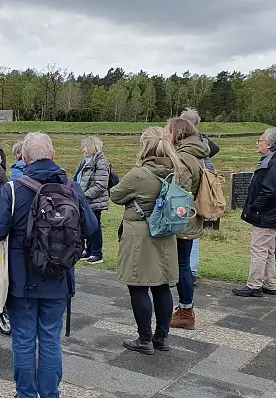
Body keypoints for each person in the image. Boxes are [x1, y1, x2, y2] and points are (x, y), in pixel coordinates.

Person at [0, 132, 98, 398]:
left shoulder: (13, 190)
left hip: (22, 281)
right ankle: (50, 394)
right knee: (50, 340)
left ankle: (26, 394)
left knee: (23, 340)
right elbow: (91, 226)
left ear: (23, 158)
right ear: (53, 155)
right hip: (58, 277)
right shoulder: (70, 187)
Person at [110, 127, 180, 355]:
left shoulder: (138, 175)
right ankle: (162, 337)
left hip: (141, 234)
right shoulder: (175, 170)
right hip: (166, 233)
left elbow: (116, 195)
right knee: (162, 286)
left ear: (145, 146)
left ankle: (144, 338)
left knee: (138, 286)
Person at [233, 128, 276, 297]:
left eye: (260, 140)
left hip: (267, 214)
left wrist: (254, 207)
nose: (257, 143)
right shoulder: (275, 161)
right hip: (272, 214)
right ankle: (270, 283)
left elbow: (269, 190)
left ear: (269, 144)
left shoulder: (274, 163)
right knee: (268, 249)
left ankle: (254, 285)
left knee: (259, 248)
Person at [165, 117, 209, 330]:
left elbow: (179, 193)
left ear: (177, 133)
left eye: (168, 130)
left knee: (181, 265)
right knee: (183, 264)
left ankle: (185, 311)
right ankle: (185, 308)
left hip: (182, 218)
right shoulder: (196, 154)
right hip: (191, 217)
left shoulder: (183, 157)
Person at [179, 108, 220, 283]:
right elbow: (214, 151)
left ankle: (188, 272)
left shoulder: (189, 143)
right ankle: (191, 271)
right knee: (193, 234)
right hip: (200, 192)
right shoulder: (203, 141)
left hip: (190, 192)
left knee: (187, 234)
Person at [73, 136, 110, 265]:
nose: (83, 149)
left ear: (92, 147)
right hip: (85, 200)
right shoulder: (85, 161)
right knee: (87, 226)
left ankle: (97, 253)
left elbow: (101, 185)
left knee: (95, 226)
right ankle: (88, 251)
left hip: (94, 201)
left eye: (85, 146)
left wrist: (84, 196)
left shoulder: (100, 162)